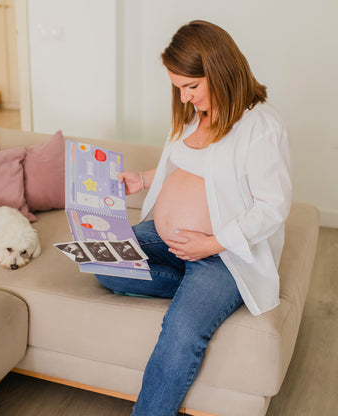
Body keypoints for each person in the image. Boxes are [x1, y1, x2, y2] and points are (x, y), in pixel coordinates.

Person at [95, 20, 292, 416]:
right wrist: (143, 178)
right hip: (172, 241)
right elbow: (184, 165)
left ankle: (202, 295)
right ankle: (194, 288)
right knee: (102, 260)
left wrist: (210, 244)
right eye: (178, 88)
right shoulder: (194, 115)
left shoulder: (260, 127)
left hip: (224, 254)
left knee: (182, 331)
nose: (185, 98)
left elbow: (273, 206)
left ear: (220, 70)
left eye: (191, 87)